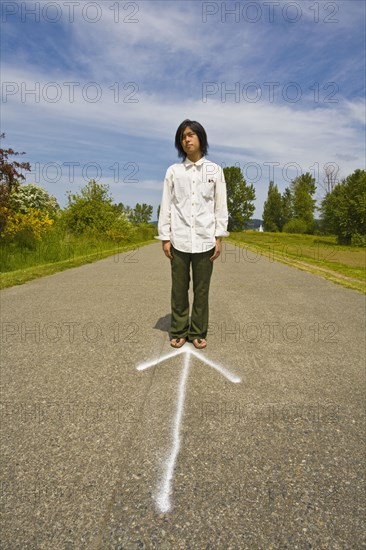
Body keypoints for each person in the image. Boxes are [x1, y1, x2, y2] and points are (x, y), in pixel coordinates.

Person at [155, 119, 229, 349]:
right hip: (179, 239)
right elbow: (166, 205)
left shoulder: (215, 170)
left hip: (205, 240)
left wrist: (218, 237)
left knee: (201, 289)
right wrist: (165, 237)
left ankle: (197, 331)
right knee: (178, 289)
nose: (186, 139)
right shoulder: (174, 171)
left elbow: (220, 206)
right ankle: (178, 330)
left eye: (190, 135)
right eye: (182, 137)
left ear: (200, 138)